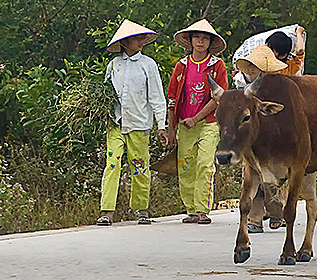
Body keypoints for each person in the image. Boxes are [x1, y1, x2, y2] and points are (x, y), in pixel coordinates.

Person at [96, 19, 168, 226]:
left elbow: (156, 97)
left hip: (139, 124)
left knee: (139, 166)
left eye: (142, 38)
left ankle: (141, 209)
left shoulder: (148, 65)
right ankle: (107, 211)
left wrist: (160, 125)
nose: (141, 41)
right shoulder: (114, 65)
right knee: (112, 164)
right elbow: (106, 94)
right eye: (136, 38)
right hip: (116, 123)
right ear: (125, 42)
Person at [235, 27, 306, 233]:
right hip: (265, 130)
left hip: (269, 131)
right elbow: (299, 52)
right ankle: (263, 218)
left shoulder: (258, 75)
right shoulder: (290, 67)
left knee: (264, 174)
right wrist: (299, 34)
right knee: (257, 173)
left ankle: (268, 216)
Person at [167, 19, 228, 224]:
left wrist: (197, 118)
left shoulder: (217, 66)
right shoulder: (181, 66)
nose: (200, 41)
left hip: (208, 122)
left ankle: (203, 209)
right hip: (184, 123)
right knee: (185, 166)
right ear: (190, 40)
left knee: (205, 164)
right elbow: (172, 98)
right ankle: (191, 209)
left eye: (205, 38)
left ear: (210, 42)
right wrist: (170, 128)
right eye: (197, 37)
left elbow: (219, 97)